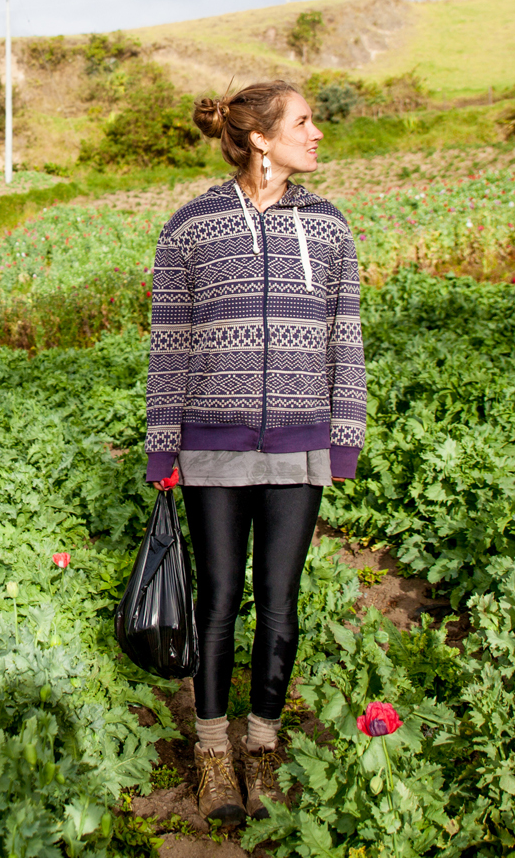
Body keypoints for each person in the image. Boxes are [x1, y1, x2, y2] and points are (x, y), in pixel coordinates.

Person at [143, 80, 366, 824]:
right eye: (306, 122)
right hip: (211, 446)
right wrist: (161, 447)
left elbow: (347, 340)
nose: (319, 133)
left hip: (299, 445)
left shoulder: (331, 228)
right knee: (217, 603)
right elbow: (168, 348)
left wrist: (344, 436)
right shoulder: (190, 228)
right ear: (262, 138)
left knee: (280, 603)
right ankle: (213, 752)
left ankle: (263, 743)